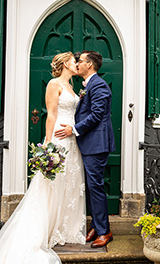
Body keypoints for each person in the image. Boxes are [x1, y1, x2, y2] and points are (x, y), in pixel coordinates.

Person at [0, 52, 86, 264]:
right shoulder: (53, 84)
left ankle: (64, 228)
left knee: (69, 181)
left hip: (71, 137)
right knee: (51, 183)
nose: (77, 64)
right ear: (66, 63)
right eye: (74, 61)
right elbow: (51, 114)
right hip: (58, 136)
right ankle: (44, 230)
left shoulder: (72, 88)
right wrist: (49, 144)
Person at [54, 50, 115, 248]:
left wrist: (74, 129)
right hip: (89, 144)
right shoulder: (88, 85)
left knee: (95, 187)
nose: (78, 64)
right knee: (91, 186)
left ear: (89, 65)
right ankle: (97, 226)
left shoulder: (99, 86)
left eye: (80, 61)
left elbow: (96, 115)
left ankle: (105, 232)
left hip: (96, 145)